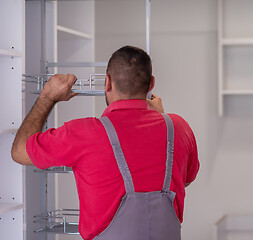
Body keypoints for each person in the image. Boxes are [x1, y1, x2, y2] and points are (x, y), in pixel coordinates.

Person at [11, 46, 200, 240]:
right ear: (151, 84)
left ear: (107, 82)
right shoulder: (178, 127)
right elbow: (184, 178)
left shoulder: (83, 133)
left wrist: (48, 97)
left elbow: (19, 151)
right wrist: (158, 116)